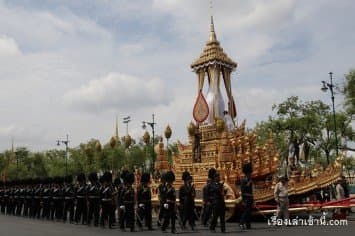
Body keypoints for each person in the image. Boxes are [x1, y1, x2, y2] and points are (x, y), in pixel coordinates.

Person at [209, 169, 226, 233]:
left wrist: (224, 190)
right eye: (217, 177)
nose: (218, 178)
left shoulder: (220, 184)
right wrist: (220, 186)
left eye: (219, 176)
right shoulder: (212, 184)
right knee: (215, 216)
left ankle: (223, 229)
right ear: (215, 178)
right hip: (216, 202)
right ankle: (212, 227)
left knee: (222, 216)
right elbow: (216, 189)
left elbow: (223, 192)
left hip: (221, 202)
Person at [239, 163, 253, 230]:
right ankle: (241, 223)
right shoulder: (243, 180)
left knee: (249, 212)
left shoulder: (250, 180)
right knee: (246, 211)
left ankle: (248, 225)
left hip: (250, 198)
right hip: (246, 198)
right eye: (249, 174)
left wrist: (253, 198)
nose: (250, 175)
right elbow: (242, 191)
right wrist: (244, 200)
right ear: (247, 173)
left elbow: (251, 191)